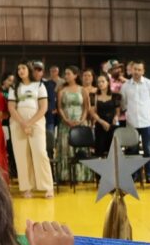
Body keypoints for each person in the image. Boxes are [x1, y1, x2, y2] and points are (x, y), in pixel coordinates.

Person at [8, 61, 55, 198]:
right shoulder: (14, 87)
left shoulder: (40, 85)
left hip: (36, 122)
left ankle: (47, 187)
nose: (20, 71)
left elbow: (43, 107)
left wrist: (29, 123)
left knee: (40, 153)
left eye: (23, 68)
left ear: (29, 69)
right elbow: (11, 108)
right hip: (17, 124)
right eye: (18, 68)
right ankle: (26, 187)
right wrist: (23, 123)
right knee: (22, 155)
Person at [120, 60, 150, 184]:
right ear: (131, 70)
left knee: (148, 150)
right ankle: (135, 175)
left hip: (147, 121)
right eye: (134, 69)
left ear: (143, 71)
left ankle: (149, 175)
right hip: (132, 122)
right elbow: (123, 103)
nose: (136, 72)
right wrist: (130, 112)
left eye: (139, 69)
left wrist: (147, 110)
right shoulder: (125, 85)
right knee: (133, 150)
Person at [55, 66, 93, 184]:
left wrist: (81, 121)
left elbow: (87, 107)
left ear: (75, 75)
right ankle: (66, 177)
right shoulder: (62, 90)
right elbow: (60, 107)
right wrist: (66, 120)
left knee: (80, 149)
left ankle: (81, 176)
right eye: (65, 74)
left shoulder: (83, 90)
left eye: (68, 74)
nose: (66, 76)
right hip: (66, 124)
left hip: (80, 123)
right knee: (66, 149)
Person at [90, 73, 121, 158]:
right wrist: (101, 122)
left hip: (112, 125)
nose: (100, 84)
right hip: (100, 124)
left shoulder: (115, 96)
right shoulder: (94, 96)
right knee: (99, 150)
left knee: (113, 152)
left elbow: (118, 111)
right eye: (98, 82)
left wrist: (116, 117)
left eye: (102, 81)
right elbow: (92, 112)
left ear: (108, 82)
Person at [33, 61, 58, 138]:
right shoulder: (26, 85)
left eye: (39, 70)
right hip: (30, 120)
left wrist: (40, 112)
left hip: (47, 120)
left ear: (42, 72)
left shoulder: (48, 85)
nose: (36, 73)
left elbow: (52, 103)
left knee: (48, 145)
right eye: (34, 70)